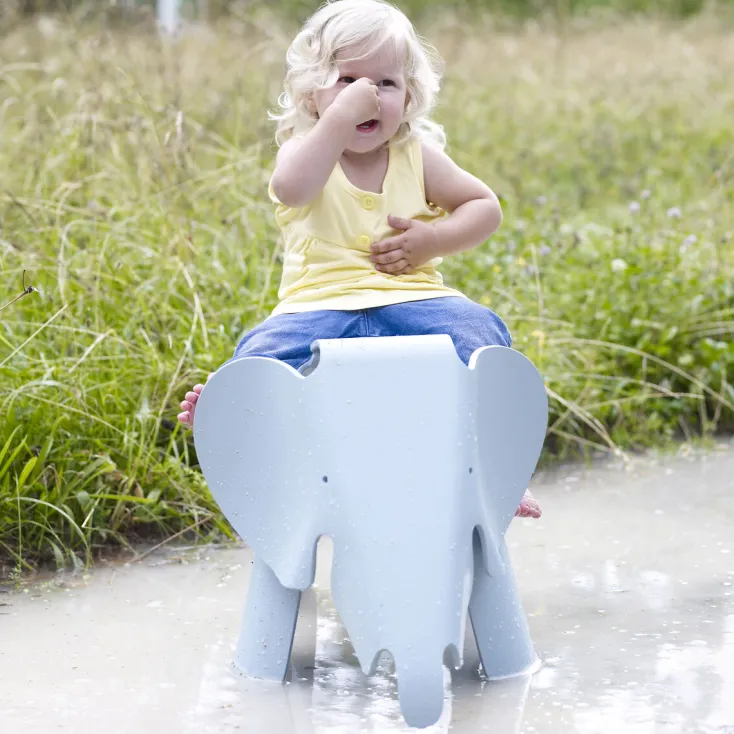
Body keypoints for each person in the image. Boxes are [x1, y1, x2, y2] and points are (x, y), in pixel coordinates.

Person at [178, 0, 541, 518]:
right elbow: (291, 188)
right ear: (312, 95)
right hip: (317, 308)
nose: (365, 96)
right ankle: (232, 416)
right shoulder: (304, 151)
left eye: (385, 83)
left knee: (479, 337)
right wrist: (339, 119)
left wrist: (432, 240)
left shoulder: (416, 155)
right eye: (346, 81)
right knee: (262, 358)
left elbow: (485, 206)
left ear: (409, 96)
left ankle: (493, 471)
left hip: (416, 301)